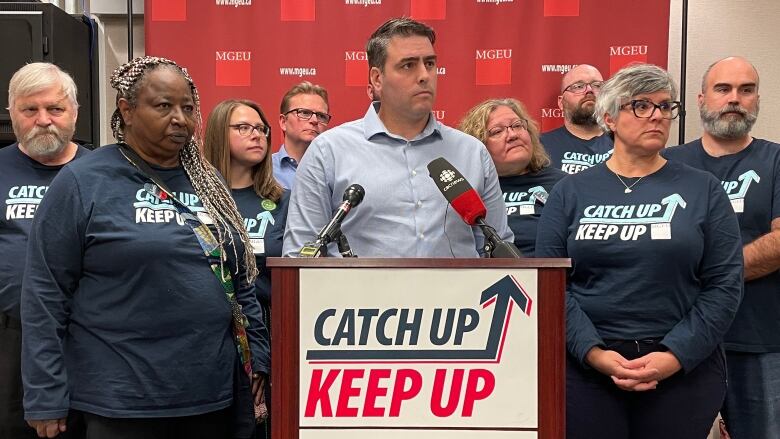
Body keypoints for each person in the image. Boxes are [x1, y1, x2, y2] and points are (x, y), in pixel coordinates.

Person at [21, 56, 270, 439]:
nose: (180, 119)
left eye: (187, 108)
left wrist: (260, 358)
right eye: (163, 106)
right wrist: (44, 394)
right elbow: (44, 294)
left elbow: (241, 277)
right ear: (128, 110)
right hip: (121, 400)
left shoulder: (209, 181)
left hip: (212, 395)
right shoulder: (83, 181)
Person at [535, 63, 743, 439]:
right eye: (642, 106)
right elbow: (550, 284)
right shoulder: (570, 192)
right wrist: (594, 353)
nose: (658, 116)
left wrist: (674, 356)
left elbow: (725, 284)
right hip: (586, 369)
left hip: (681, 368)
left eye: (665, 106)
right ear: (610, 118)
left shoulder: (704, 189)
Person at [282, 17, 512, 257]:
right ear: (377, 79)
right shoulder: (328, 151)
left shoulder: (472, 152)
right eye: (408, 65)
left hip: (459, 293)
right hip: (359, 294)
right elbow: (301, 256)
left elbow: (498, 250)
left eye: (430, 63)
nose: (424, 75)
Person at [662, 56, 780, 439]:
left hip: (760, 340)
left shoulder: (776, 160)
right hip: (676, 339)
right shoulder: (667, 164)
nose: (734, 99)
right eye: (723, 89)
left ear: (757, 100)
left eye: (746, 90)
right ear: (700, 99)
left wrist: (706, 274)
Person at [0, 63, 88, 439]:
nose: (43, 120)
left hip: (88, 341)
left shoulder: (101, 172)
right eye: (30, 109)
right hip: (10, 341)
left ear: (74, 113)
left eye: (55, 109)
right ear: (11, 113)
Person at [204, 99, 289, 439]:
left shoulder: (283, 200)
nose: (257, 136)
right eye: (243, 128)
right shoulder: (198, 198)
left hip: (267, 324)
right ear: (218, 134)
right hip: (212, 329)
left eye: (261, 129)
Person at [459, 98, 565, 256]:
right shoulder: (469, 191)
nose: (512, 135)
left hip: (547, 276)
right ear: (478, 146)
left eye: (517, 125)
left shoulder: (564, 185)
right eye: (497, 131)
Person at [540, 64, 613, 174]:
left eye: (597, 85)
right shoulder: (540, 146)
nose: (589, 90)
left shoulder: (625, 143)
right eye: (578, 86)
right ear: (561, 102)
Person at [272, 81, 330, 189]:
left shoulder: (335, 171)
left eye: (321, 116)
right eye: (304, 113)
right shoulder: (263, 171)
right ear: (283, 122)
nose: (314, 120)